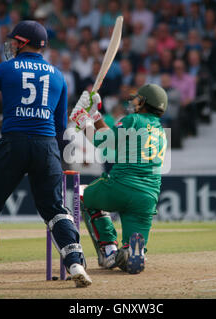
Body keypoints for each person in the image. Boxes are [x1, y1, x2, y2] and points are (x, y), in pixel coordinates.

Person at [0, 20, 91, 288]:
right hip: (46, 146)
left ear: (22, 43)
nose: (11, 45)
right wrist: (54, 157)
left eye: (14, 41)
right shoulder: (59, 75)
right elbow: (60, 129)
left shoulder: (3, 69)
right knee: (55, 210)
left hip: (13, 143)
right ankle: (75, 263)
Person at [70, 83, 168, 274]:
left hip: (121, 186)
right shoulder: (160, 131)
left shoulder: (133, 120)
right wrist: (95, 115)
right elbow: (113, 140)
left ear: (145, 103)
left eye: (139, 99)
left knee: (84, 196)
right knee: (131, 250)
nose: (135, 101)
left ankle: (108, 251)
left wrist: (81, 118)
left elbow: (102, 141)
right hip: (147, 199)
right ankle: (129, 253)